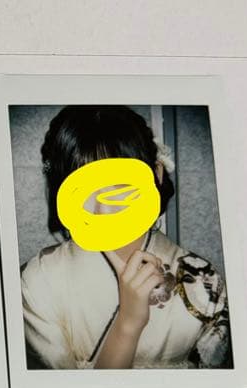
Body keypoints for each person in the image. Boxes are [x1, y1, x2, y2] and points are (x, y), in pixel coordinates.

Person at [21, 105, 231, 370]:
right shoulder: (39, 281)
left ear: (156, 174)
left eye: (118, 186)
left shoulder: (205, 284)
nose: (102, 209)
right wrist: (127, 325)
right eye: (83, 190)